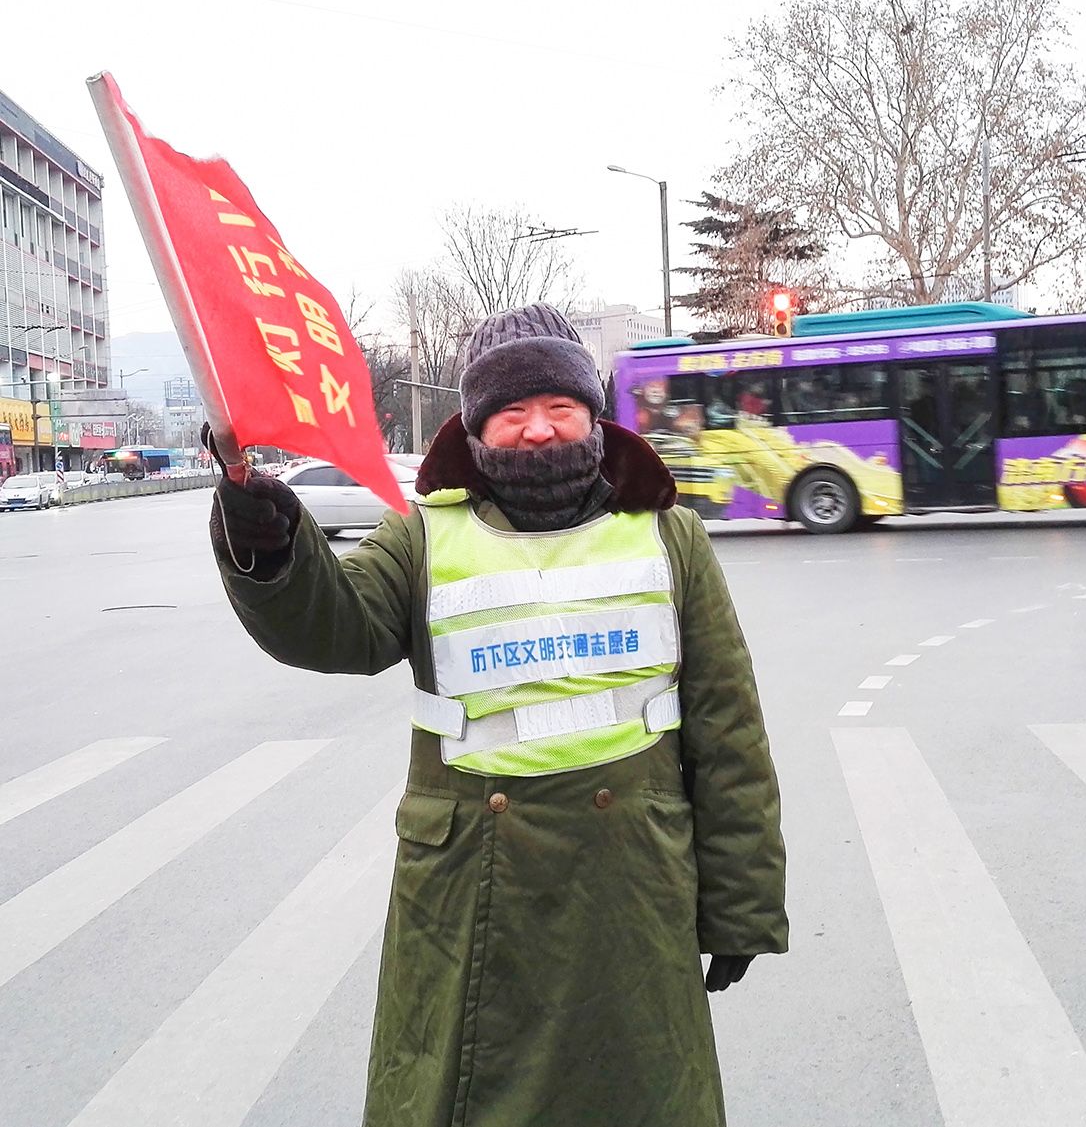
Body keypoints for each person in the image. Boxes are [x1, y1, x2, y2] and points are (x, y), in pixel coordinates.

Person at [208, 303, 788, 1127]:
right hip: (470, 892)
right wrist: (270, 545)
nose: (539, 429)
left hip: (633, 889)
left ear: (594, 413)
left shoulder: (670, 535)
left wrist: (741, 902)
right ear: (476, 426)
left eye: (560, 406)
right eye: (511, 411)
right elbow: (335, 623)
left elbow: (728, 731)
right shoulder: (423, 538)